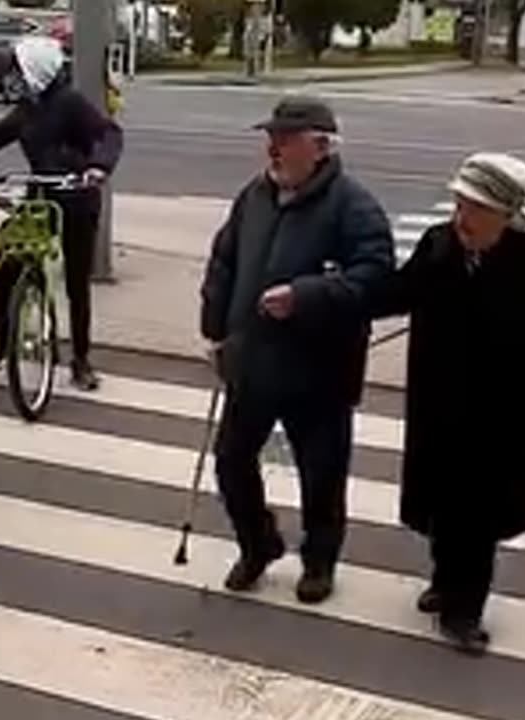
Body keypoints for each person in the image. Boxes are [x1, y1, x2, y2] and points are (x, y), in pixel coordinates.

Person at [373, 153, 525, 655]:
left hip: (503, 416)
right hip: (439, 403)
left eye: (474, 208)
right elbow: (401, 291)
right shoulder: (439, 243)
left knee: (478, 518)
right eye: (459, 203)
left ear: (506, 213)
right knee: (442, 504)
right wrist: (332, 299)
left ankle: (465, 611)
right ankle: (444, 581)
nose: (461, 217)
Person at [199, 95, 394, 604]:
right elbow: (224, 260)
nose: (273, 149)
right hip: (253, 359)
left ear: (321, 146)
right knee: (231, 461)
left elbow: (375, 282)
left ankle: (320, 560)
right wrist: (215, 327)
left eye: (285, 139)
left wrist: (306, 296)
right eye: (271, 138)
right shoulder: (255, 196)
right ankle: (258, 543)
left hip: (320, 370)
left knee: (322, 474)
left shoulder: (355, 206)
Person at [0, 36, 123, 391]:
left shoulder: (71, 104)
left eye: (18, 69)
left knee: (77, 283)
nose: (11, 76)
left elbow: (108, 134)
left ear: (36, 71)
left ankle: (81, 361)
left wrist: (97, 167)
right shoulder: (28, 109)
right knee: (9, 264)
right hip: (40, 194)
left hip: (76, 197)